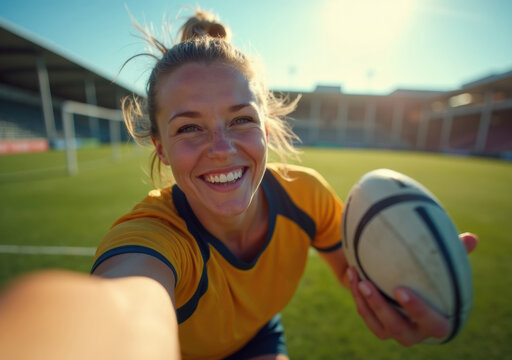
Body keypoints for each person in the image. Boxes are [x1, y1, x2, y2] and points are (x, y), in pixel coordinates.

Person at [0, 9, 478, 360]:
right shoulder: (151, 237)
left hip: (256, 337)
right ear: (161, 147)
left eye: (241, 120)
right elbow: (123, 309)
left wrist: (404, 290)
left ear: (265, 128)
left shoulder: (305, 196)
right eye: (189, 127)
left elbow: (361, 278)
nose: (222, 148)